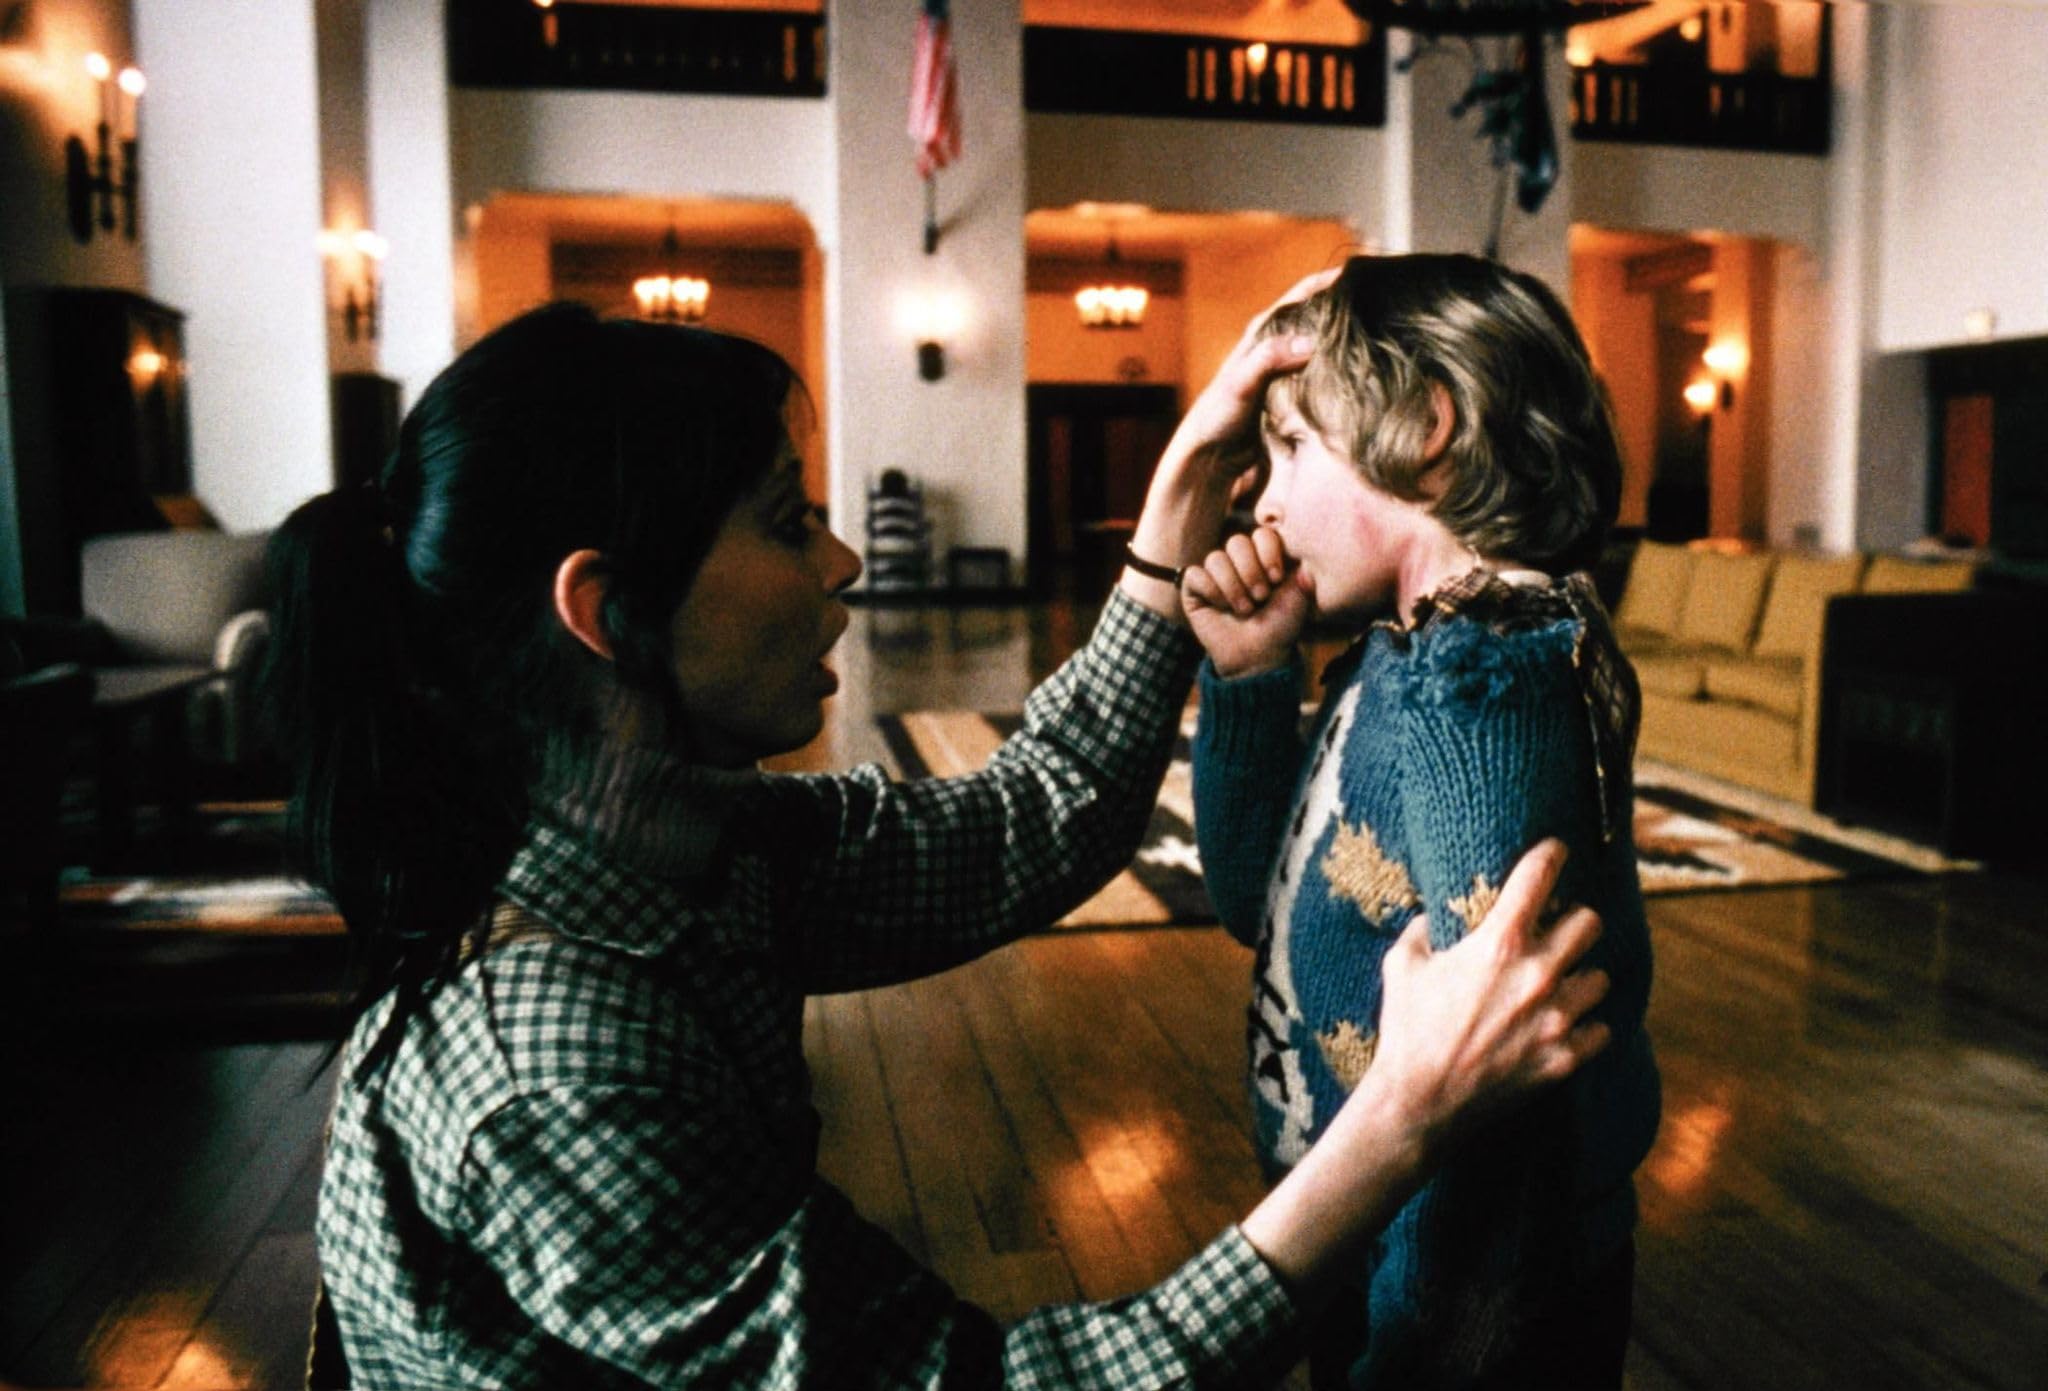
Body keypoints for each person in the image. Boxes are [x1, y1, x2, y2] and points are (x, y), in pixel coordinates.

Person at [267, 292, 1615, 1389]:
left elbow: (1034, 814)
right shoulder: (550, 1059)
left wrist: (1177, 501)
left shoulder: (692, 850)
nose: (846, 558)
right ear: (609, 612)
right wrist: (1397, 1126)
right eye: (789, 520)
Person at [1182, 254, 1661, 1390]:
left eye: (1290, 448)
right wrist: (1250, 678)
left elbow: (1500, 1123)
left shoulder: (1483, 700)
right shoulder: (1397, 657)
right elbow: (1257, 892)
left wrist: (1418, 1352)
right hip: (1370, 1231)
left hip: (1453, 1293)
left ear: (1425, 427)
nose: (1261, 499)